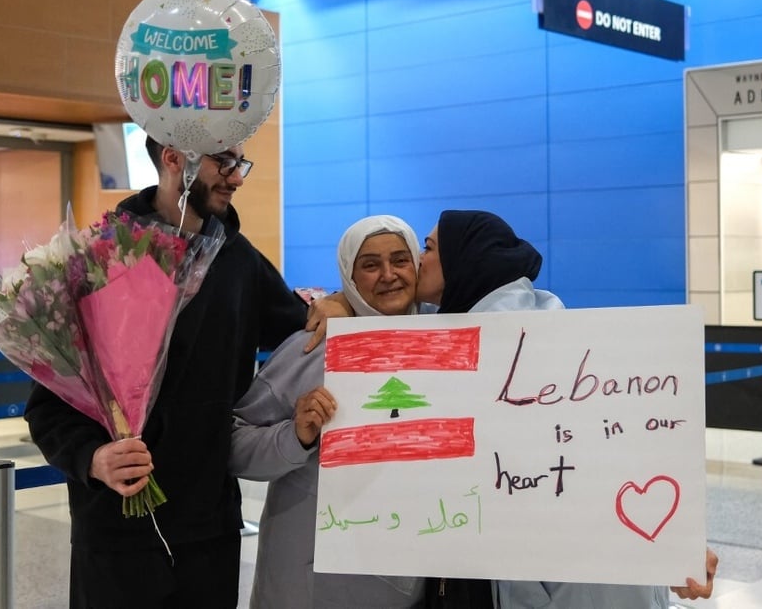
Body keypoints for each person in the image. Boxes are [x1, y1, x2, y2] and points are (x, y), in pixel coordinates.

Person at [24, 136, 318, 608]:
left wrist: (333, 307)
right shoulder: (102, 257)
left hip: (209, 528)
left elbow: (300, 329)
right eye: (223, 163)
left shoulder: (240, 262)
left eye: (241, 162)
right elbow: (47, 407)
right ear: (174, 158)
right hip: (115, 527)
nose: (238, 177)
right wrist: (94, 458)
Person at [415, 209, 718, 609]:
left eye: (430, 247)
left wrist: (675, 541)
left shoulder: (537, 345)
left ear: (464, 259)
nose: (420, 258)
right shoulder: (463, 333)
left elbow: (616, 443)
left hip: (573, 578)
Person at [229, 214, 425, 609]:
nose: (389, 275)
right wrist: (295, 436)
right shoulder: (315, 346)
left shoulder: (447, 335)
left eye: (400, 260)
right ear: (350, 278)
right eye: (370, 265)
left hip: (406, 571)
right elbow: (233, 444)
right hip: (315, 577)